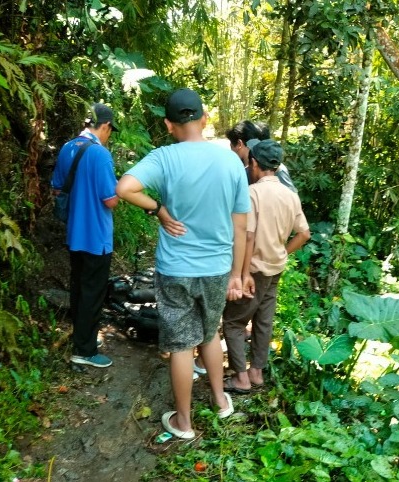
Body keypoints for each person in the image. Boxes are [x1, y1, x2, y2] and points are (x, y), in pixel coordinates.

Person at [116, 88, 249, 439]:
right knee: (209, 333)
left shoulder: (164, 158)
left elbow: (125, 187)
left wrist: (159, 210)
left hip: (176, 267)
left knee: (179, 345)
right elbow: (240, 225)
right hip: (218, 267)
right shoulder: (231, 161)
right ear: (205, 119)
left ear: (168, 125)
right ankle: (221, 403)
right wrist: (238, 273)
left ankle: (184, 423)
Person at [222, 139, 311, 393]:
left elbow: (247, 235)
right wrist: (283, 251)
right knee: (263, 320)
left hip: (255, 269)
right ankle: (256, 372)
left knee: (234, 322)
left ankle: (241, 378)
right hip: (275, 268)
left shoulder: (253, 194)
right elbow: (304, 234)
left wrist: (242, 273)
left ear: (253, 163)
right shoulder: (290, 195)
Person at [51, 103, 119, 368]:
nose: (109, 136)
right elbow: (110, 199)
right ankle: (85, 350)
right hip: (96, 235)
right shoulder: (100, 155)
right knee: (93, 292)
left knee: (79, 288)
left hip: (74, 233)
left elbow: (57, 189)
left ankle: (82, 337)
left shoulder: (68, 147)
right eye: (110, 131)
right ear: (105, 126)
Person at [225, 120, 297, 192]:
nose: (232, 151)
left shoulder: (275, 167)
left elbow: (291, 195)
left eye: (231, 146)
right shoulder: (240, 170)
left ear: (239, 144)